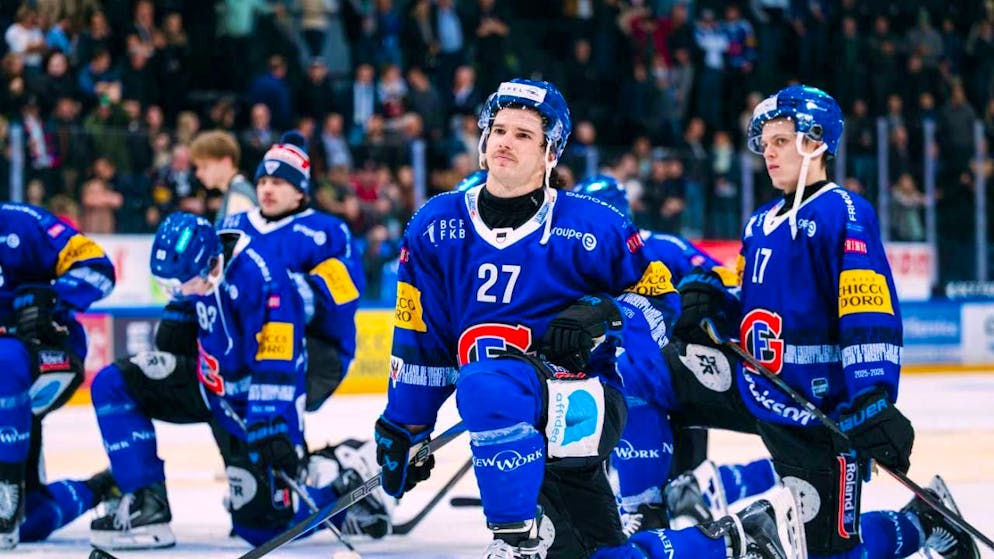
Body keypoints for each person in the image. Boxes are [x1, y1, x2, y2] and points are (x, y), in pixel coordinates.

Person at [372, 78, 804, 559]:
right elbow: (420, 338)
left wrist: (606, 314)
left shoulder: (594, 225)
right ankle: (732, 541)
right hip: (510, 418)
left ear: (549, 153)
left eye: (523, 135)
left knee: (486, 383)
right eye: (498, 130)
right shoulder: (435, 226)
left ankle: (516, 540)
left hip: (583, 401)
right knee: (599, 552)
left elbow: (661, 302)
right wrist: (405, 424)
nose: (505, 142)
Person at [86, 212, 388, 550]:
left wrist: (268, 423)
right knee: (113, 384)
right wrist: (179, 316)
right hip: (208, 386)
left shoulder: (265, 279)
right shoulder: (199, 270)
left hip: (253, 406)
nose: (181, 292)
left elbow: (278, 360)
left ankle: (343, 485)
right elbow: (192, 307)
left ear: (212, 265)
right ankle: (146, 503)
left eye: (184, 285)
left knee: (262, 529)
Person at [727, 84, 924, 559]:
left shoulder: (842, 211)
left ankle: (920, 525)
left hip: (822, 411)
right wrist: (709, 298)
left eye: (781, 141)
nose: (768, 153)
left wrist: (871, 396)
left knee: (829, 549)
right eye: (765, 143)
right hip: (770, 396)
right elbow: (746, 299)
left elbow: (866, 307)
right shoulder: (759, 222)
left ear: (815, 143)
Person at [219, 130, 364, 411]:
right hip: (242, 345)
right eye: (262, 182)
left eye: (277, 182)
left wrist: (273, 291)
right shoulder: (232, 227)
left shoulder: (328, 232)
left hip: (315, 349)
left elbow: (343, 294)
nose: (266, 189)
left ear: (300, 191)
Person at [0, 202, 117, 549]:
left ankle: (6, 496)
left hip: (42, 352)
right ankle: (103, 486)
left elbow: (98, 267)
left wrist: (51, 299)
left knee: (4, 361)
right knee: (34, 520)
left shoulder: (22, 223)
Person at [190, 130, 257, 224]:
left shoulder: (238, 198)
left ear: (226, 162)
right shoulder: (234, 192)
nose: (198, 173)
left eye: (204, 166)